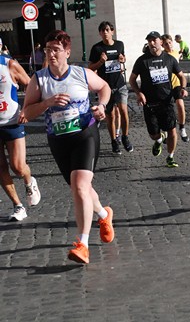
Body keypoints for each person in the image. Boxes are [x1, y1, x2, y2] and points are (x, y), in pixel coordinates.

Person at [23, 30, 114, 265]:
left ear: (67, 52)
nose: (50, 53)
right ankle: (104, 215)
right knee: (80, 189)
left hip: (85, 134)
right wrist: (47, 103)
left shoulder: (81, 74)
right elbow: (27, 112)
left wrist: (101, 106)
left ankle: (82, 244)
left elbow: (104, 88)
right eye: (47, 49)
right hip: (59, 140)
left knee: (80, 185)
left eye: (55, 49)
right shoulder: (39, 79)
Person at [129, 31, 188, 168]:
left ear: (160, 42)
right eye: (149, 41)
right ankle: (159, 139)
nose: (151, 43)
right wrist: (138, 93)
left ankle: (170, 157)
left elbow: (182, 76)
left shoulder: (169, 59)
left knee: (172, 130)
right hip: (149, 104)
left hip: (166, 102)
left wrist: (183, 88)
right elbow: (132, 80)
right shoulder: (142, 60)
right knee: (153, 134)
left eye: (154, 40)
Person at [0, 53, 41, 221]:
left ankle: (29, 180)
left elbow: (32, 86)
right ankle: (18, 206)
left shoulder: (10, 65)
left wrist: (26, 109)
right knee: (0, 167)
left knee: (17, 166)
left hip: (12, 122)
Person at [88, 21, 133, 155]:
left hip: (120, 84)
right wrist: (100, 62)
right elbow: (90, 68)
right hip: (105, 87)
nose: (105, 32)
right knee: (111, 116)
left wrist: (122, 59)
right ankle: (114, 141)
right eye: (102, 30)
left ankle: (125, 137)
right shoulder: (97, 48)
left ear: (112, 31)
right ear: (100, 33)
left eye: (108, 29)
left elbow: (123, 59)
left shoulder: (120, 44)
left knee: (124, 111)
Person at [161, 34, 189, 143]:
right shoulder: (162, 55)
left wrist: (184, 86)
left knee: (180, 105)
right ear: (162, 45)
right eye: (165, 44)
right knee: (168, 109)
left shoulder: (176, 53)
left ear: (172, 42)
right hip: (166, 85)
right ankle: (168, 131)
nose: (168, 45)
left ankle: (182, 127)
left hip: (177, 83)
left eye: (169, 42)